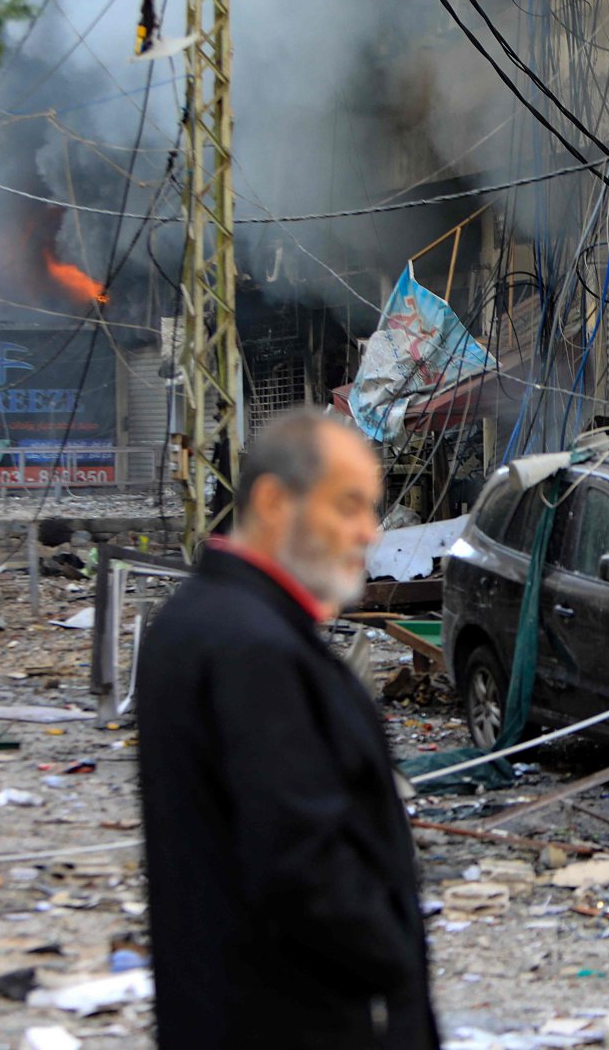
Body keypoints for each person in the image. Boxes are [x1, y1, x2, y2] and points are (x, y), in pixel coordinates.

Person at [136, 409, 438, 1048]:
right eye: (349, 506)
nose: (370, 532)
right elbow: (301, 862)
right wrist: (392, 956)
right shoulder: (254, 649)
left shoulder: (198, 621)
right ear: (275, 502)